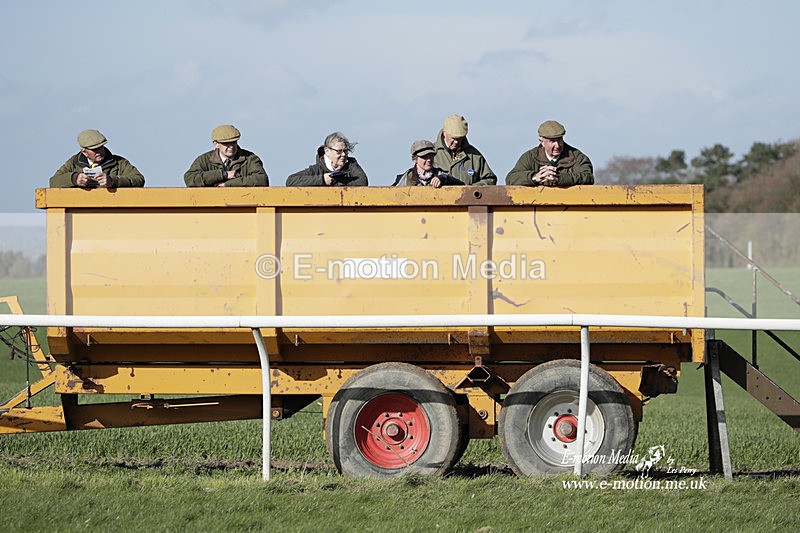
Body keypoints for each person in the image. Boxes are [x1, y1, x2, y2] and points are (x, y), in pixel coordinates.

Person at [505, 120, 594, 187]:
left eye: (560, 140)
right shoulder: (529, 157)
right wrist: (535, 177)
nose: (557, 145)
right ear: (542, 142)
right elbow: (511, 179)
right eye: (552, 141)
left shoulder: (578, 157)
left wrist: (560, 178)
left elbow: (588, 177)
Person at [49, 129, 145, 188]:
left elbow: (139, 179)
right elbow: (53, 182)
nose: (99, 151)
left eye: (101, 147)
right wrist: (74, 178)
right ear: (84, 152)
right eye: (94, 149)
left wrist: (113, 181)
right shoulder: (73, 163)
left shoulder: (119, 162)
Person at [184, 125, 269, 187]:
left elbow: (261, 179)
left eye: (234, 142)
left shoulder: (250, 158)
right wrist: (223, 175)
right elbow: (190, 179)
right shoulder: (204, 160)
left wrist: (228, 184)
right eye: (226, 143)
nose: (231, 146)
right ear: (216, 144)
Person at [433, 114, 496, 185]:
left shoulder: (474, 156)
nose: (456, 142)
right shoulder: (431, 154)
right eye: (453, 138)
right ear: (444, 133)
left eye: (460, 138)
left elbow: (490, 179)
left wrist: (470, 190)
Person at [286, 131, 368, 186]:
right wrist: (322, 179)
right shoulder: (316, 169)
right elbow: (291, 181)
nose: (343, 154)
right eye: (339, 151)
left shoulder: (352, 165)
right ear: (327, 151)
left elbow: (362, 182)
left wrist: (334, 182)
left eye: (345, 151)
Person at [394, 140, 464, 187]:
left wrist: (444, 179)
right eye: (424, 157)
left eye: (431, 156)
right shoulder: (406, 177)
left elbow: (462, 186)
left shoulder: (442, 175)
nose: (429, 160)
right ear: (415, 159)